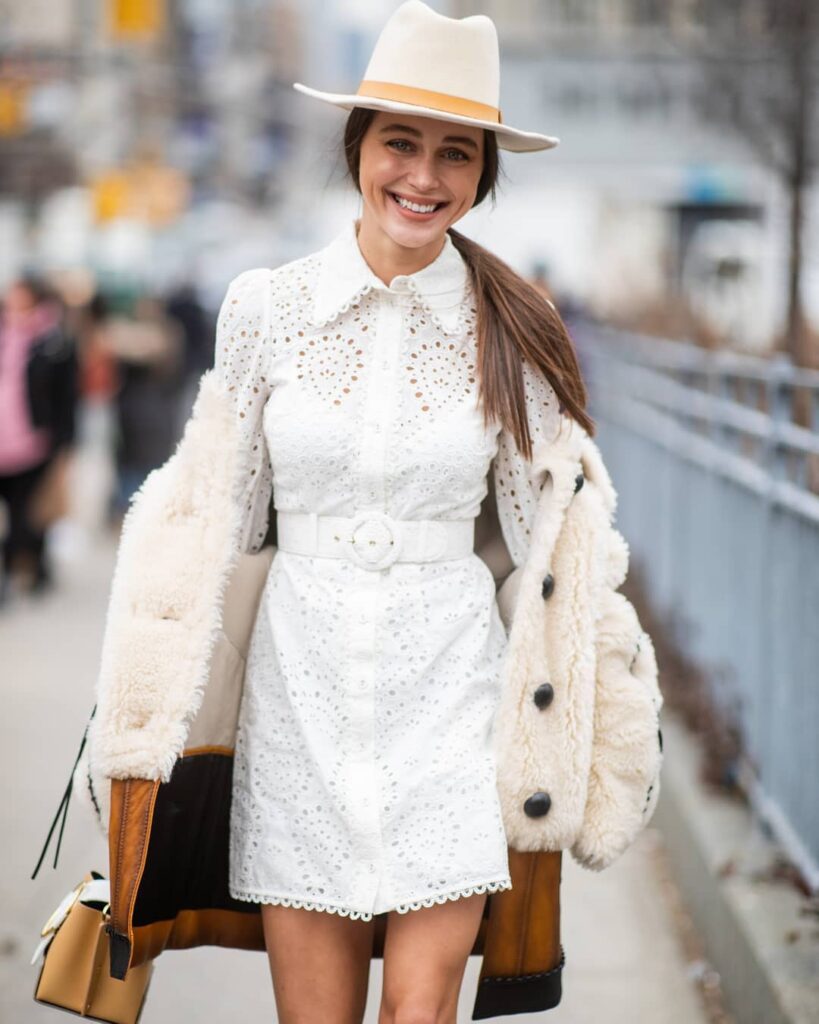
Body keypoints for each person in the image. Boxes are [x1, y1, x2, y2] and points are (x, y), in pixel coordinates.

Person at [75, 3, 663, 1022]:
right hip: (299, 702)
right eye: (401, 142)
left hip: (451, 701)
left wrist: (606, 724)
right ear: (359, 146)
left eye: (455, 154)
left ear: (483, 173)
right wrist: (142, 705)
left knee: (419, 1012)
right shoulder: (266, 308)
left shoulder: (511, 330)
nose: (424, 178)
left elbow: (560, 546)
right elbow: (220, 518)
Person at [0, 275, 77, 603]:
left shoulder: (54, 340)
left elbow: (67, 395)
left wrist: (65, 440)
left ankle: (22, 571)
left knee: (25, 513)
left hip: (33, 441)